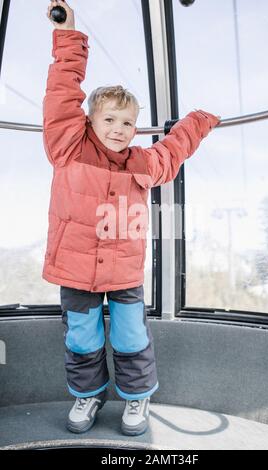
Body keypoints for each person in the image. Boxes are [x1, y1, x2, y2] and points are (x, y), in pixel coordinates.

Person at [44, 0, 220, 435]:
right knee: (81, 339)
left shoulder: (142, 162)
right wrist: (68, 37)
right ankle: (88, 396)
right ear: (89, 121)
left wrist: (198, 121)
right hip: (76, 270)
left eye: (128, 123)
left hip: (124, 274)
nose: (120, 129)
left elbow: (174, 150)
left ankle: (137, 400)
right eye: (109, 119)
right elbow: (61, 92)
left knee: (131, 339)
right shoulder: (69, 147)